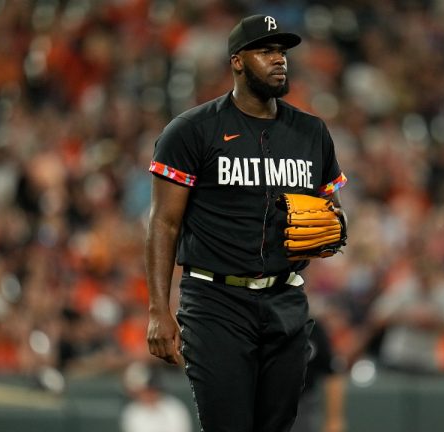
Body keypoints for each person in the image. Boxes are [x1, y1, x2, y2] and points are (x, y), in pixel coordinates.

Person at [144, 14, 348, 432]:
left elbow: (333, 208)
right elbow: (163, 224)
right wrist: (158, 309)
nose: (279, 60)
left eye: (282, 51)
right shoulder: (191, 131)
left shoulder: (311, 132)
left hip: (285, 303)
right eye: (266, 51)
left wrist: (334, 225)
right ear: (237, 61)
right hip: (215, 302)